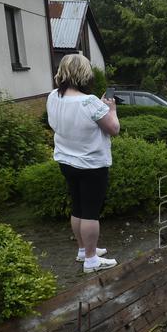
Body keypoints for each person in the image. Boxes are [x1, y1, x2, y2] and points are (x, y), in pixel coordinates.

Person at [47, 54, 120, 273]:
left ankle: (83, 250)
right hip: (91, 165)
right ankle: (91, 260)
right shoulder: (90, 102)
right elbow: (114, 129)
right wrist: (112, 110)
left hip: (66, 161)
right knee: (90, 212)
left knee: (77, 207)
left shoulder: (52, 97)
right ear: (84, 74)